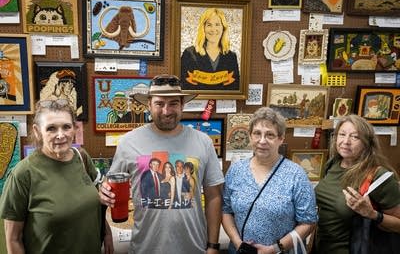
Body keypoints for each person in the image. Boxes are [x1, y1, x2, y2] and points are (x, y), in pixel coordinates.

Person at [99, 74, 224, 254]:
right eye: (159, 104)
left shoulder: (203, 141)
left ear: (182, 105)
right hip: (145, 248)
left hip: (193, 248)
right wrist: (104, 193)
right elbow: (110, 187)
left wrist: (213, 246)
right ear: (148, 104)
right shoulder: (128, 142)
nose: (166, 111)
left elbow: (213, 196)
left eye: (173, 103)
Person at [0, 99, 113, 254]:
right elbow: (13, 238)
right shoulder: (22, 174)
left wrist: (107, 233)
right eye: (51, 128)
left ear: (74, 129)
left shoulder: (82, 158)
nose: (61, 135)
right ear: (37, 131)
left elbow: (95, 207)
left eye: (66, 127)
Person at [222, 107, 317, 254]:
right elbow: (226, 211)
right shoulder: (236, 171)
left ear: (281, 138)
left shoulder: (295, 175)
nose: (262, 141)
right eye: (257, 133)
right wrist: (237, 243)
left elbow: (308, 222)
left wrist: (275, 249)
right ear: (250, 136)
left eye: (270, 135)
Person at [314, 114, 400, 253]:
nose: (346, 141)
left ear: (367, 143)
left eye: (355, 137)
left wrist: (372, 214)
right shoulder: (333, 164)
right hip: (321, 247)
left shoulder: (379, 176)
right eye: (342, 134)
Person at [181, 8, 240, 91]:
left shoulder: (231, 56)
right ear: (203, 28)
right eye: (209, 25)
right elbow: (184, 86)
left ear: (223, 28)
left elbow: (235, 87)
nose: (213, 29)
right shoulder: (189, 54)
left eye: (217, 24)